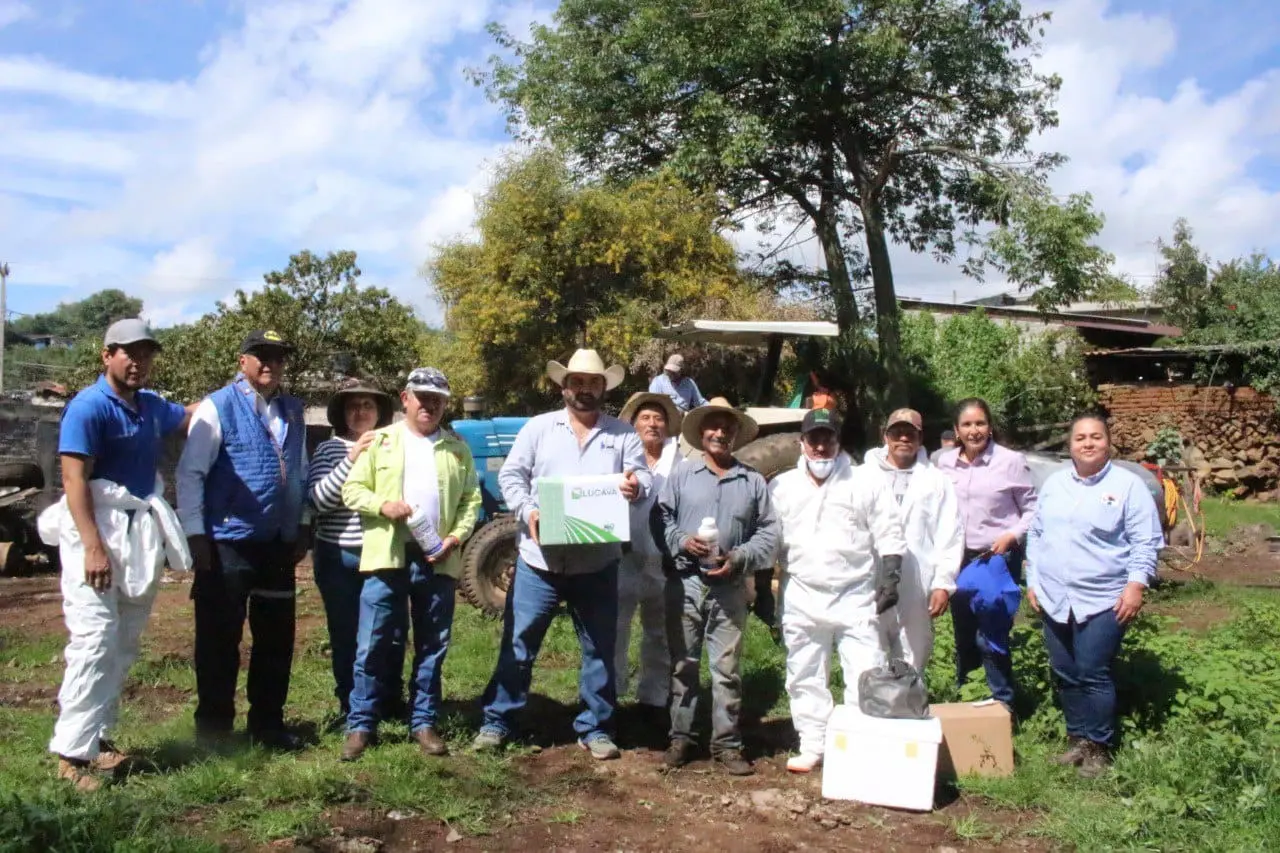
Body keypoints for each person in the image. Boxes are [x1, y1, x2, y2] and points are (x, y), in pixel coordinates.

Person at [474, 350, 650, 760]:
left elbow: (644, 477)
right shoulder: (538, 429)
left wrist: (635, 486)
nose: (584, 389)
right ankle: (498, 720)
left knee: (598, 647)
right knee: (518, 643)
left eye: (593, 383)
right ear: (563, 386)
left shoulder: (623, 434)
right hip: (540, 560)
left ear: (603, 387)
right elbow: (512, 475)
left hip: (598, 562)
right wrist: (527, 509)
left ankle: (597, 726)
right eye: (577, 382)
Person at [46, 319, 193, 791]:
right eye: (129, 352)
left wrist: (240, 388)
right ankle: (71, 753)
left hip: (136, 533)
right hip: (97, 531)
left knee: (124, 639)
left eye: (146, 353)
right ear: (107, 355)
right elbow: (73, 481)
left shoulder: (149, 406)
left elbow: (189, 415)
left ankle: (99, 736)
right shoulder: (89, 408)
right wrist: (92, 545)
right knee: (94, 639)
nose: (138, 361)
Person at [176, 329, 310, 750]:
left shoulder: (293, 410)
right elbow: (190, 473)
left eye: (277, 356)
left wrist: (302, 523)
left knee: (276, 638)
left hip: (276, 543)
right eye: (260, 355)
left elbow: (301, 471)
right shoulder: (218, 407)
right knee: (218, 639)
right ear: (243, 361)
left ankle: (267, 725)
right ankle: (214, 730)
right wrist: (196, 535)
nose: (269, 363)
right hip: (226, 542)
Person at [340, 368, 482, 760]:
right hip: (388, 555)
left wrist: (455, 538)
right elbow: (352, 489)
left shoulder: (457, 449)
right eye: (423, 396)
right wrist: (381, 505)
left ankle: (423, 721)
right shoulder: (380, 442)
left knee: (433, 645)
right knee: (372, 642)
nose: (430, 404)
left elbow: (472, 500)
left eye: (438, 398)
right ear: (405, 398)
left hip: (437, 558)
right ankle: (361, 725)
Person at [1026, 413, 1162, 777]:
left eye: (1096, 437)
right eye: (1080, 438)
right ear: (1070, 445)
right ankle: (1077, 740)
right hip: (1055, 596)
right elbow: (1036, 534)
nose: (1088, 443)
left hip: (1105, 597)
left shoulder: (1128, 486)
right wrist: (1033, 579)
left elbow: (1145, 541)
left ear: (1108, 442)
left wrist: (1136, 585)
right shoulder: (1055, 484)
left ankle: (1099, 747)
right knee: (1066, 671)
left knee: (1092, 670)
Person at [770, 408, 905, 774]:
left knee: (865, 672)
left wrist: (891, 576)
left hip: (855, 594)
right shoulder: (781, 486)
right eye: (813, 439)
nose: (820, 447)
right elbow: (772, 541)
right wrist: (766, 591)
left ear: (838, 442)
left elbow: (889, 530)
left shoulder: (866, 481)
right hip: (801, 592)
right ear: (802, 442)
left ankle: (860, 746)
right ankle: (813, 744)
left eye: (827, 439)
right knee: (804, 672)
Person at [660, 397, 779, 776]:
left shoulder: (753, 481)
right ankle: (681, 737)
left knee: (727, 668)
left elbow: (770, 532)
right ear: (701, 432)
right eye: (713, 426)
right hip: (687, 584)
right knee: (683, 664)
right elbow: (661, 518)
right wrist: (681, 540)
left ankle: (726, 743)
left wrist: (740, 557)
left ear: (736, 435)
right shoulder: (681, 475)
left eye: (727, 428)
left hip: (729, 587)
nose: (720, 433)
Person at [306, 377, 401, 726]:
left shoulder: (393, 447)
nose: (360, 411)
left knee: (389, 633)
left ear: (379, 412)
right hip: (339, 558)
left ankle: (389, 701)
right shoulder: (329, 450)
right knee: (346, 635)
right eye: (353, 406)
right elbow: (318, 501)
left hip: (384, 555)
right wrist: (351, 458)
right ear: (342, 414)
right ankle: (350, 705)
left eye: (368, 405)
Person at [936, 398, 1036, 710]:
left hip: (995, 558)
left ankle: (1002, 702)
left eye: (980, 423)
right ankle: (968, 699)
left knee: (990, 635)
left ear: (990, 427)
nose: (974, 430)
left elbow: (1033, 509)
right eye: (967, 424)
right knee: (964, 633)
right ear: (956, 430)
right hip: (959, 559)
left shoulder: (1010, 461)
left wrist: (1012, 535)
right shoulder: (943, 463)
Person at [863, 408, 965, 671]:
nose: (904, 439)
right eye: (897, 432)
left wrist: (943, 582)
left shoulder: (936, 481)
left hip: (916, 582)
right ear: (885, 436)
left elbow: (950, 534)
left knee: (912, 656)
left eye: (911, 434)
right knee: (867, 653)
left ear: (920, 439)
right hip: (869, 578)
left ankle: (907, 707)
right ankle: (872, 708)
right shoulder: (861, 477)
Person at [615, 392, 681, 732]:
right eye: (645, 418)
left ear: (668, 426)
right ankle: (610, 697)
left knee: (660, 631)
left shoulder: (681, 461)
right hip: (622, 556)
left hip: (665, 560)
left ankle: (654, 699)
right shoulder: (619, 457)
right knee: (614, 629)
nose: (652, 424)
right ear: (634, 424)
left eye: (658, 419)